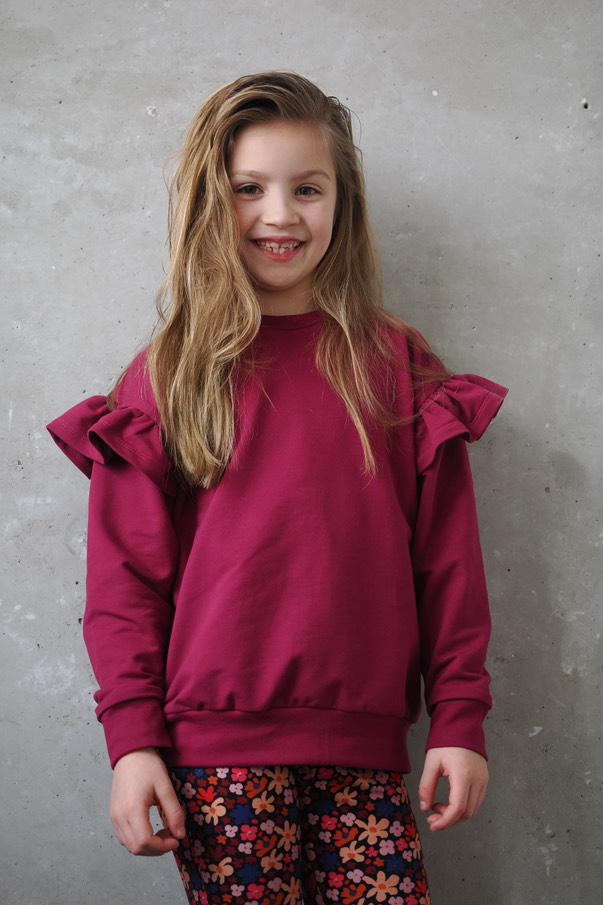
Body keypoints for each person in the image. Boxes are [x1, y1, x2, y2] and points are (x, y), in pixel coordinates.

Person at [46, 71, 509, 905]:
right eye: (248, 188)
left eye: (307, 188)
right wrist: (133, 743)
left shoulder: (397, 366)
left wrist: (460, 717)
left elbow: (448, 565)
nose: (280, 214)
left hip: (367, 751)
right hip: (213, 759)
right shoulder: (169, 378)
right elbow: (125, 585)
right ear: (208, 203)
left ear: (342, 202)